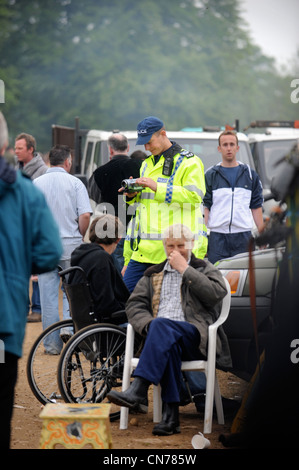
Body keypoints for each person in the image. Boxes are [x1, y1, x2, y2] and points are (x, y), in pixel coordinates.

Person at [107, 224, 231, 436]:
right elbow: (134, 306)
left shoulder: (204, 268)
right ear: (164, 246)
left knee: (162, 327)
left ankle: (139, 387)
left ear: (191, 245)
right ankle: (170, 418)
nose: (176, 249)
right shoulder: (153, 273)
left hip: (194, 337)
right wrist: (148, 325)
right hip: (163, 340)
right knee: (165, 338)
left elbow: (215, 294)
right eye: (170, 245)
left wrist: (185, 269)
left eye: (181, 245)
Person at [0, 112, 62, 449]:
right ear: (7, 146)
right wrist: (18, 265)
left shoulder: (34, 184)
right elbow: (49, 253)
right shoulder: (24, 192)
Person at [122, 116, 208, 293]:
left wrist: (157, 187)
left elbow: (194, 197)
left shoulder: (190, 162)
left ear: (163, 134)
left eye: (149, 142)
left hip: (173, 250)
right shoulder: (145, 164)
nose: (146, 147)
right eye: (143, 144)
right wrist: (131, 196)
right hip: (144, 251)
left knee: (166, 305)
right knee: (127, 296)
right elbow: (145, 203)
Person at [34, 145, 92, 354]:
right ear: (67, 161)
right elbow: (85, 215)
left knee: (48, 296)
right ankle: (69, 330)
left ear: (49, 161)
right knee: (72, 292)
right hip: (71, 243)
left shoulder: (36, 183)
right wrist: (79, 232)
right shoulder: (75, 183)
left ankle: (51, 345)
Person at [204, 130, 264, 264]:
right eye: (225, 145)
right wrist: (205, 231)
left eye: (232, 144)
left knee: (244, 278)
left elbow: (256, 206)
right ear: (219, 149)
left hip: (243, 237)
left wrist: (262, 234)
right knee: (218, 278)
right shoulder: (211, 175)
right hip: (217, 238)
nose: (229, 148)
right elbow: (206, 205)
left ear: (237, 148)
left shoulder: (250, 174)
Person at [88, 133, 141, 273]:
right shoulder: (142, 167)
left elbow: (95, 198)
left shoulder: (99, 173)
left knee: (117, 262)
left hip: (113, 227)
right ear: (128, 147)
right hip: (139, 225)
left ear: (110, 150)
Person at [68, 214, 130, 331]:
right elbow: (106, 302)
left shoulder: (80, 254)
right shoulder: (101, 259)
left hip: (84, 320)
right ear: (118, 239)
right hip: (105, 322)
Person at [15, 133, 49, 322]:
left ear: (30, 149)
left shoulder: (42, 171)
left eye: (20, 148)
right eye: (16, 147)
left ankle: (37, 308)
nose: (17, 151)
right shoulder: (14, 168)